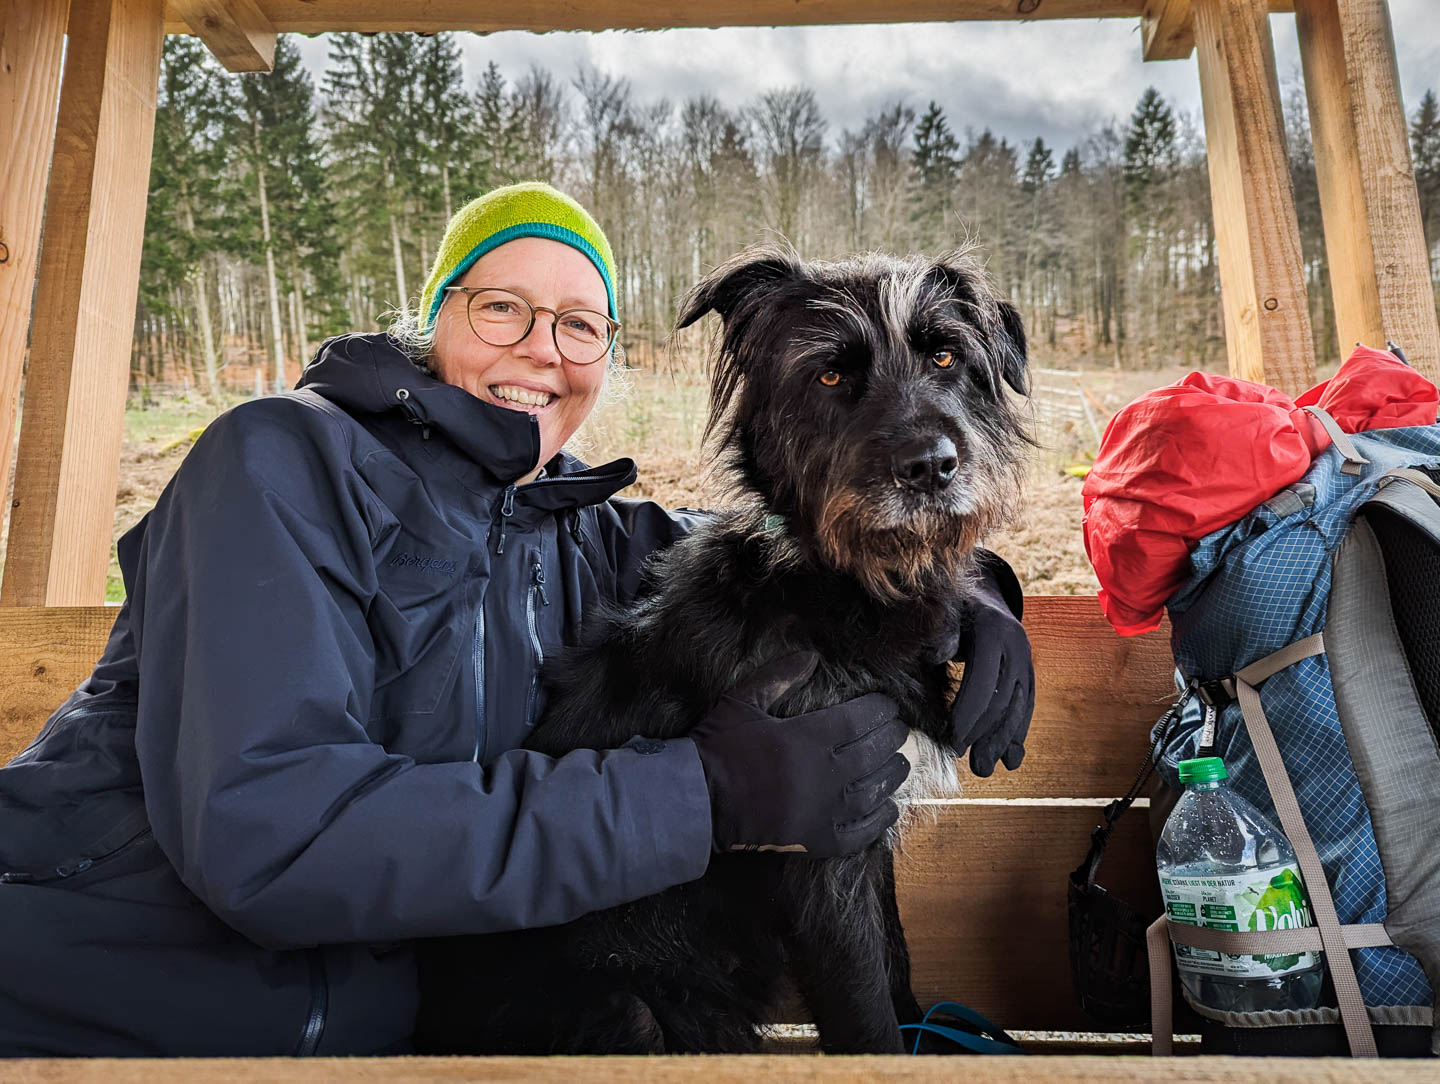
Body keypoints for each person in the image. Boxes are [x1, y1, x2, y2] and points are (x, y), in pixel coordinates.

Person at [0, 183, 1033, 1056]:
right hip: (109, 1018)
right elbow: (274, 837)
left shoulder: (572, 527)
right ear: (431, 320)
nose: (542, 348)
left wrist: (974, 583)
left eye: (579, 323)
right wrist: (704, 795)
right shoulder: (277, 465)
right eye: (502, 307)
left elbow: (784, 529)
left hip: (390, 1037)